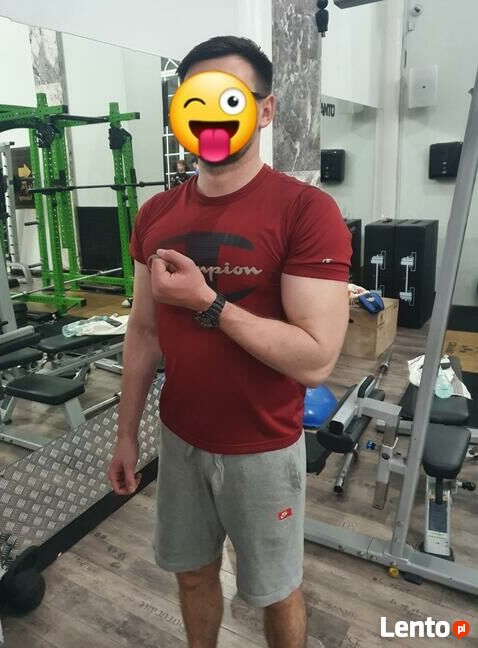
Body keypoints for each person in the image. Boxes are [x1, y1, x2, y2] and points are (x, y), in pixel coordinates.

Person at [108, 35, 352, 648]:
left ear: (264, 110)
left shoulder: (306, 211)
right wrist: (126, 433)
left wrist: (208, 304)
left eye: (230, 97)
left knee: (275, 591)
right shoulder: (156, 214)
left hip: (264, 447)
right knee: (192, 575)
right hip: (180, 438)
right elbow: (143, 331)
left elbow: (316, 359)